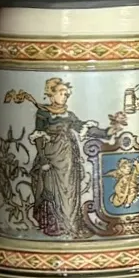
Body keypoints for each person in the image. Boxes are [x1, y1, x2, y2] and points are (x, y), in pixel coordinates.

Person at [11, 78, 96, 236]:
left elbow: (83, 128)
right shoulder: (43, 113)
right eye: (61, 93)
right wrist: (43, 158)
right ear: (51, 94)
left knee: (69, 189)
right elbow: (38, 137)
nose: (65, 96)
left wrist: (108, 132)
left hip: (68, 157)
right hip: (51, 156)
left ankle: (71, 225)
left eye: (66, 94)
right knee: (50, 188)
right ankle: (54, 225)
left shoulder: (69, 115)